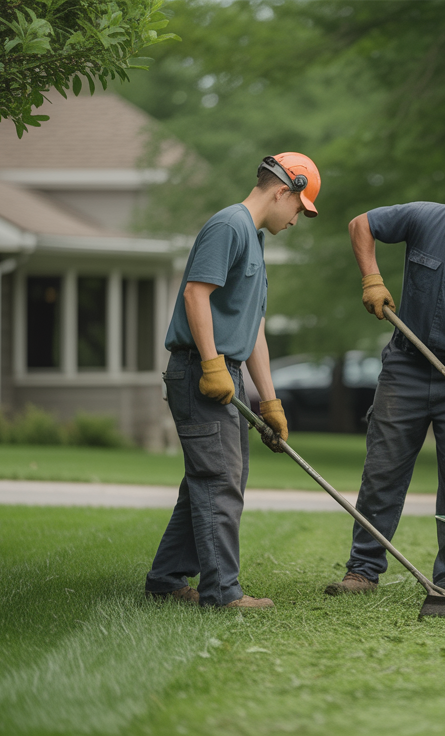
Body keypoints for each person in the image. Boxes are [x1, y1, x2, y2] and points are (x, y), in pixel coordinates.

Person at [325, 160, 445, 596]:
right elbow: (361, 224)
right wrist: (371, 278)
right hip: (406, 367)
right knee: (382, 473)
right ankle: (363, 572)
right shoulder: (423, 217)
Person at [145, 153, 320, 608]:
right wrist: (211, 364)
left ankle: (166, 580)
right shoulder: (229, 226)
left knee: (215, 478)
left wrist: (270, 401)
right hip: (200, 372)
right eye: (300, 209)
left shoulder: (254, 240)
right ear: (283, 190)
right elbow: (194, 294)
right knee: (218, 478)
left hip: (226, 371)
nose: (297, 220)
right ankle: (222, 593)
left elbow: (253, 327)